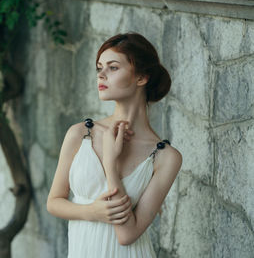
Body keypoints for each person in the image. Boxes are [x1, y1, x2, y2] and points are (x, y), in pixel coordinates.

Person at [47, 32, 183, 258]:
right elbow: (53, 202)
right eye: (99, 67)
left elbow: (127, 235)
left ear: (141, 77)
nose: (101, 74)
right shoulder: (80, 133)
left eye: (112, 68)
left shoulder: (166, 157)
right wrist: (92, 212)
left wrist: (111, 164)